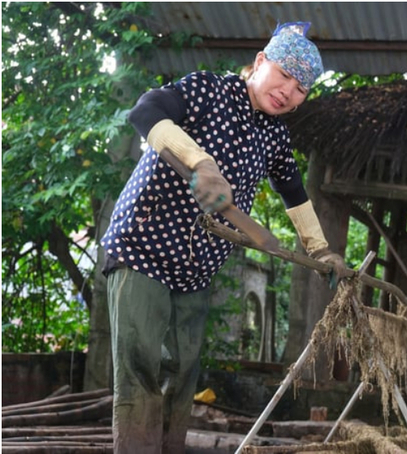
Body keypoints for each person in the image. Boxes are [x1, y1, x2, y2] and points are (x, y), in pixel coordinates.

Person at [100, 22, 346, 453]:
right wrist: (200, 162)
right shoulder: (207, 90)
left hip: (196, 267)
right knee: (140, 366)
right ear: (259, 63)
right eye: (284, 75)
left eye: (301, 88)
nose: (288, 91)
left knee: (183, 373)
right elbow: (145, 111)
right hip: (142, 247)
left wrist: (320, 248)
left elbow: (293, 192)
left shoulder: (273, 135)